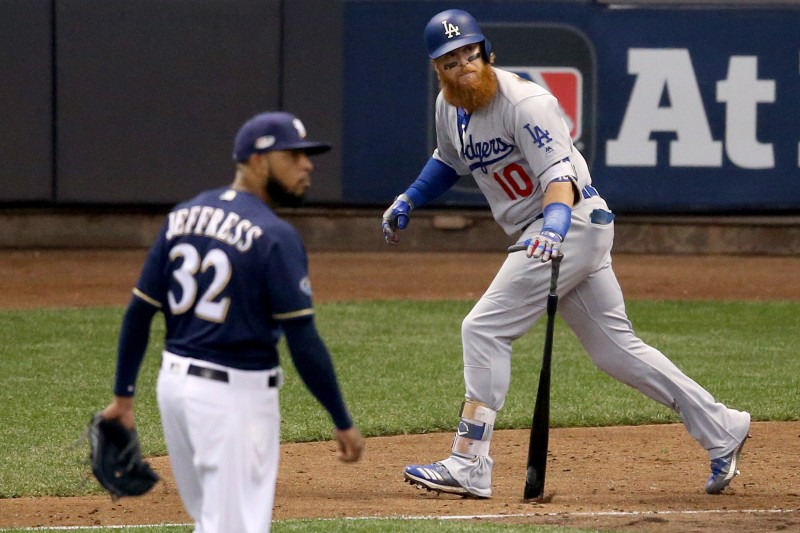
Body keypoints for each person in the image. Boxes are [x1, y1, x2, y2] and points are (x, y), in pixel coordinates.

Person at [382, 9, 749, 498]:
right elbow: (448, 161)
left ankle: (469, 462)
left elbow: (560, 178)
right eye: (451, 60)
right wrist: (410, 198)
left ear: (487, 52)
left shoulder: (528, 102)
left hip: (567, 223)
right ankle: (723, 427)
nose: (464, 65)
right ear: (438, 70)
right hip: (549, 231)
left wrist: (554, 227)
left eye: (470, 53)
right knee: (615, 350)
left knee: (484, 327)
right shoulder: (448, 107)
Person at [100, 111, 364, 532]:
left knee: (212, 520)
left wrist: (123, 397)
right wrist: (341, 419)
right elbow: (303, 340)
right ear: (258, 162)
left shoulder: (183, 216)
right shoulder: (274, 236)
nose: (307, 165)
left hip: (174, 392)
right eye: (294, 156)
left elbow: (139, 310)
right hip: (231, 404)